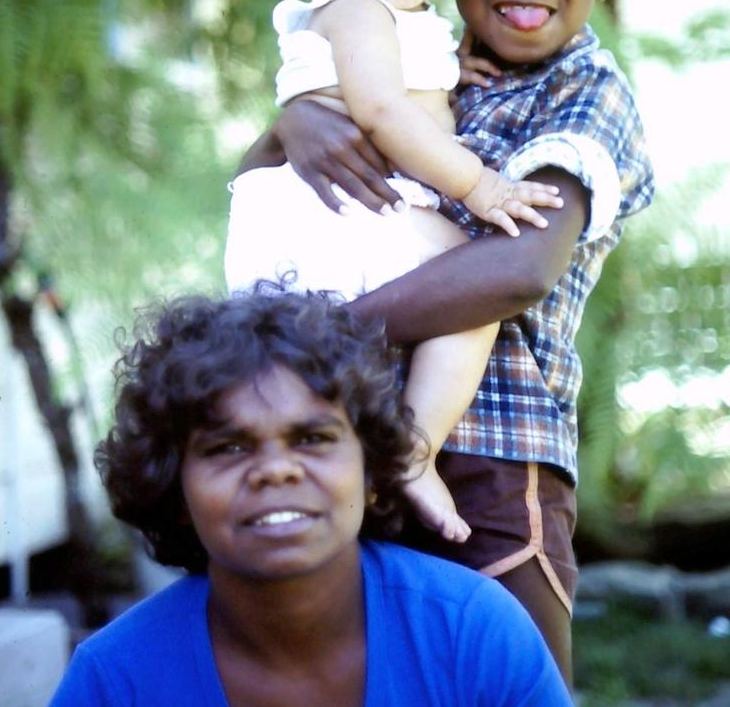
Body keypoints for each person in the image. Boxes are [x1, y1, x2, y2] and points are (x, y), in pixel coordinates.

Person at [243, 0, 655, 686]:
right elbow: (264, 181)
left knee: (503, 676)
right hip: (352, 436)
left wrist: (326, 337)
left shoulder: (587, 92)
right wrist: (295, 120)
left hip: (495, 460)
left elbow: (519, 267)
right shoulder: (423, 60)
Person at [223, 0, 562, 544]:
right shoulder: (354, 9)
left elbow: (407, 92)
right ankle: (414, 447)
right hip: (329, 215)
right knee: (476, 278)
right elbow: (380, 108)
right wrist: (481, 186)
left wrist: (445, 79)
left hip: (340, 216)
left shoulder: (408, 24)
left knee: (467, 286)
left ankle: (401, 450)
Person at [49, 287, 572, 706]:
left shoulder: (472, 633)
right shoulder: (116, 679)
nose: (276, 470)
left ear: (372, 471)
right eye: (228, 447)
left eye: (313, 439)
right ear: (173, 487)